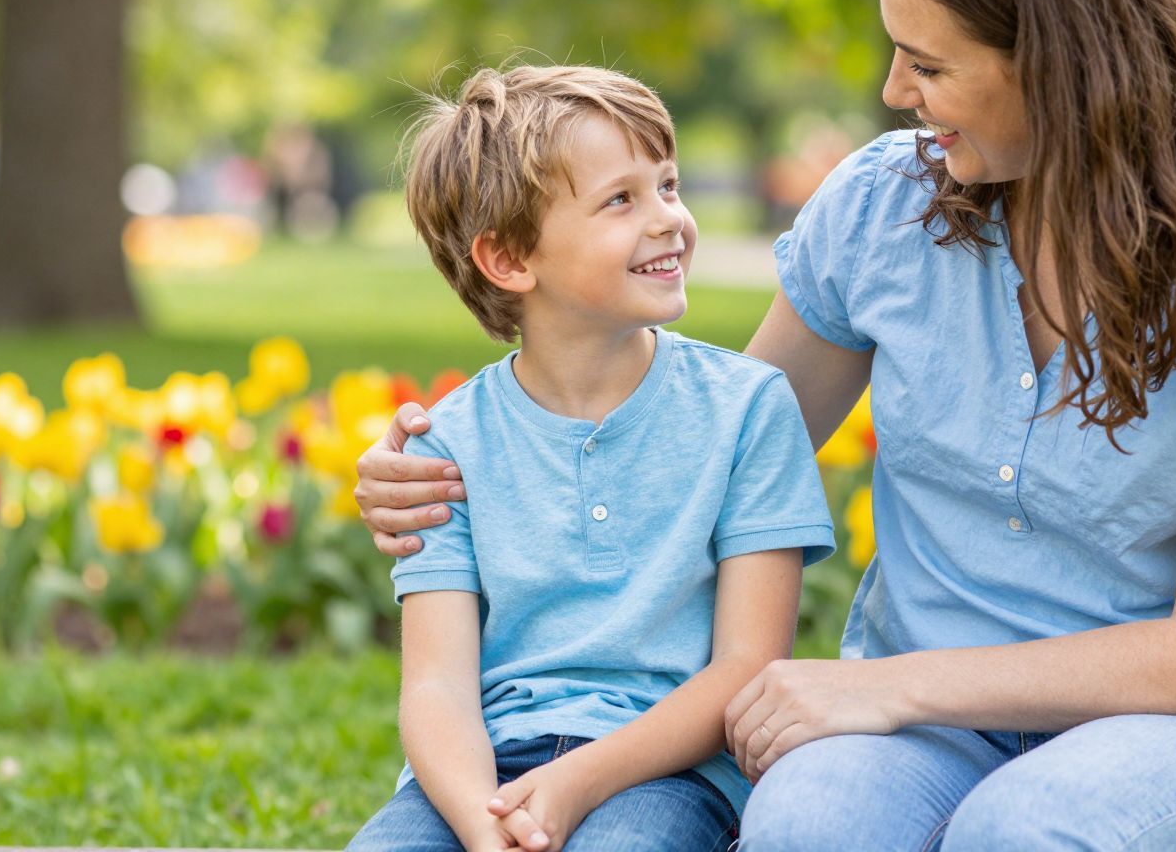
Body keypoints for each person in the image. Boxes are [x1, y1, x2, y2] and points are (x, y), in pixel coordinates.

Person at [356, 0, 1176, 849]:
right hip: (928, 730)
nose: (895, 90)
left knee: (1021, 832)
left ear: (1062, 70)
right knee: (806, 824)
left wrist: (891, 685)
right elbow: (702, 454)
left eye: (929, 62)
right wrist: (442, 475)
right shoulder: (884, 211)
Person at [346, 65, 834, 852]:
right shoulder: (447, 444)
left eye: (668, 185)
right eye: (622, 199)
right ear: (508, 259)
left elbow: (746, 666)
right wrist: (481, 822)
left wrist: (575, 785)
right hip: (486, 773)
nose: (669, 219)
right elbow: (436, 686)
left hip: (672, 773)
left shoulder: (747, 411)